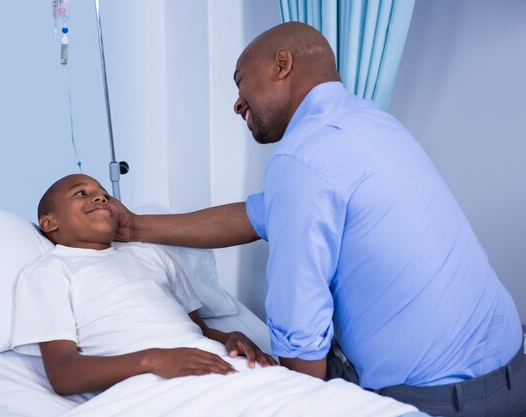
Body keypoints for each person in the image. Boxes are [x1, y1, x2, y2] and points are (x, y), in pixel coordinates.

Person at [108, 22, 526, 417]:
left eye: (240, 82)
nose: (237, 103)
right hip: (513, 362)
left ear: (282, 65)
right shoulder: (368, 122)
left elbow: (302, 346)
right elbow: (257, 214)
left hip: (437, 400)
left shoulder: (301, 158)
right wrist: (135, 227)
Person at [11, 173, 277, 396]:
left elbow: (199, 330)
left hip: (219, 364)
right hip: (151, 385)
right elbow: (63, 374)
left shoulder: (150, 254)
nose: (100, 197)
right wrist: (154, 360)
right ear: (49, 222)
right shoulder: (50, 271)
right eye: (80, 193)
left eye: (104, 193)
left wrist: (232, 337)